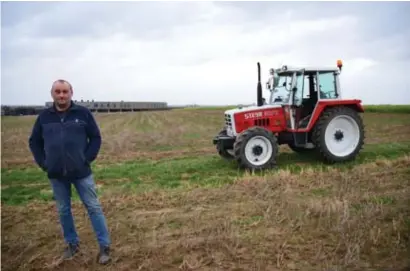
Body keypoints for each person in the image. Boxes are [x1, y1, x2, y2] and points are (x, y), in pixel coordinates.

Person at [28, 79, 111, 264]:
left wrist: (86, 159)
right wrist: (44, 163)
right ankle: (72, 244)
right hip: (56, 174)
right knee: (64, 210)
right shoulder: (44, 117)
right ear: (52, 94)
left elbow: (96, 137)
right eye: (58, 91)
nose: (61, 95)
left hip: (82, 173)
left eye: (65, 91)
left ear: (71, 93)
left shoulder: (83, 113)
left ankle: (105, 246)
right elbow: (34, 141)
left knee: (94, 207)